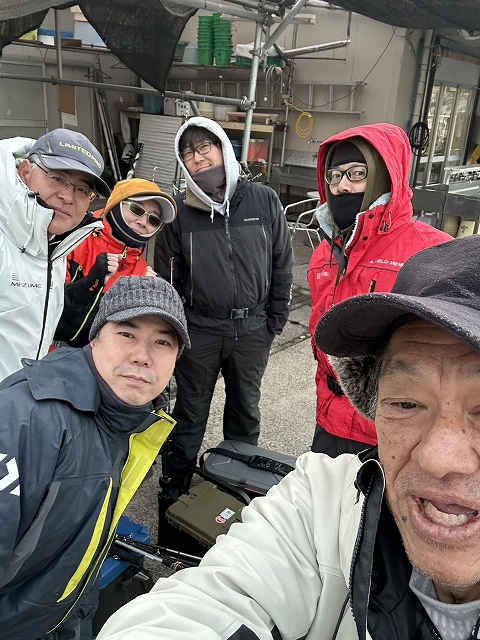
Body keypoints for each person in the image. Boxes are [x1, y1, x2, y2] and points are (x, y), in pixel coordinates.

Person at [97, 235, 480, 640]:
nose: (439, 458)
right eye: (406, 403)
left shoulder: (272, 210)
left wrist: (269, 325)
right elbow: (200, 607)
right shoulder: (321, 502)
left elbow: (279, 269)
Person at [0, 275, 190, 640]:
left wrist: (82, 614)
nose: (142, 355)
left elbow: (84, 542)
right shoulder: (25, 420)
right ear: (96, 337)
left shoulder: (127, 421)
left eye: (162, 341)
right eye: (127, 333)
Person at [154, 116, 293, 497]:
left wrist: (274, 321)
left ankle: (237, 489)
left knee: (244, 413)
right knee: (189, 414)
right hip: (201, 330)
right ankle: (176, 489)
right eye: (188, 154)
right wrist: (176, 331)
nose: (198, 158)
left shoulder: (262, 200)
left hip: (253, 330)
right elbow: (167, 281)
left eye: (204, 147)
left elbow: (282, 262)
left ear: (223, 149)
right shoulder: (179, 213)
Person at [307, 122, 451, 456]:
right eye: (334, 176)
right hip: (329, 418)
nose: (342, 186)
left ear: (382, 176)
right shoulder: (324, 253)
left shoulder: (431, 253)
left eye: (357, 174)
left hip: (394, 430)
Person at [0, 127, 111, 382]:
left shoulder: (53, 246)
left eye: (82, 190)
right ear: (25, 171)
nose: (67, 196)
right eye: (57, 178)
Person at [54, 178, 177, 347]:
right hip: (43, 347)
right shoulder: (74, 236)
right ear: (116, 205)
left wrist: (154, 301)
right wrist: (89, 284)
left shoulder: (143, 273)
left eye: (153, 220)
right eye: (136, 209)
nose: (143, 222)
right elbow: (44, 305)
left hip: (94, 357)